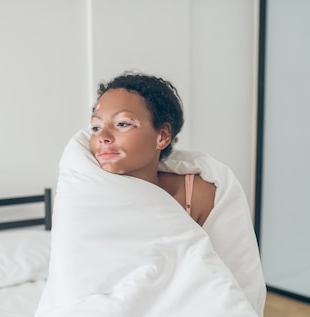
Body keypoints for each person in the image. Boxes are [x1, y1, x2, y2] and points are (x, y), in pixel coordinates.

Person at [89, 71, 216, 226]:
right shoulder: (84, 194)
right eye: (96, 127)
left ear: (162, 136)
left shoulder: (195, 195)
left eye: (122, 124)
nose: (103, 136)